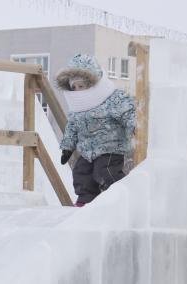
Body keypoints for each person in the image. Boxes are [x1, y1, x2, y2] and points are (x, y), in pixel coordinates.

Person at [56, 54, 136, 207]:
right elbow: (71, 127)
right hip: (87, 150)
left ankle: (117, 197)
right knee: (81, 172)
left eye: (82, 86)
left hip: (110, 147)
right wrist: (67, 147)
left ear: (93, 83)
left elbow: (128, 111)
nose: (78, 90)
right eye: (74, 87)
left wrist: (134, 126)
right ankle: (86, 199)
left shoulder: (112, 98)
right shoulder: (77, 107)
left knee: (105, 171)